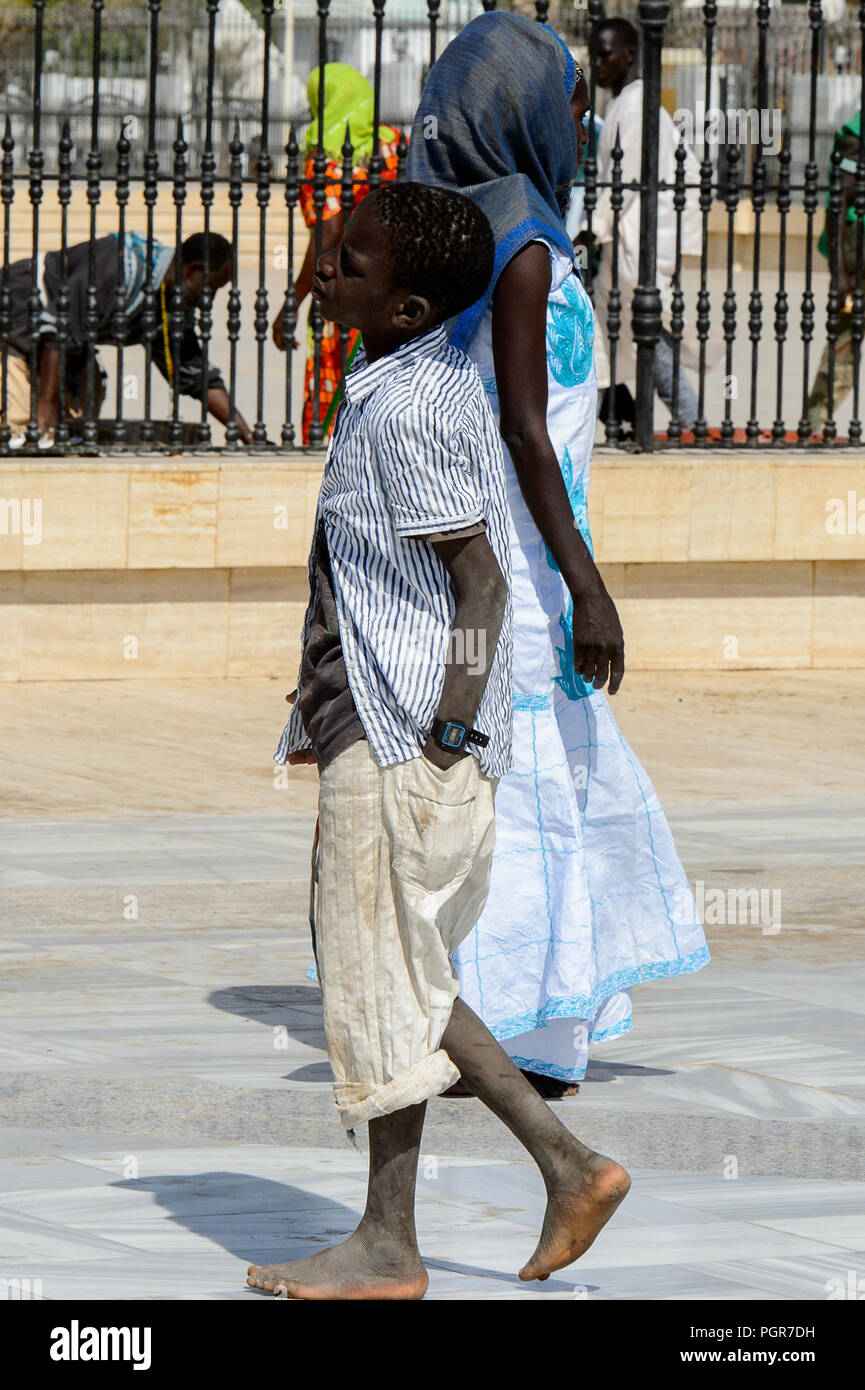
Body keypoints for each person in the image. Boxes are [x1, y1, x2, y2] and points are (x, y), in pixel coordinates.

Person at [248, 181, 630, 1300]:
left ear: (409, 305)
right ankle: (550, 1174)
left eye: (353, 264)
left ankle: (408, 1235)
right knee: (406, 975)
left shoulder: (412, 402)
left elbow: (480, 582)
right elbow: (376, 580)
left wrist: (446, 733)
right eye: (333, 248)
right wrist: (322, 695)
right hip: (386, 716)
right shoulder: (399, 380)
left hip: (413, 736)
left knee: (386, 977)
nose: (326, 270)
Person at [408, 12, 709, 1096]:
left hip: (501, 569)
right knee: (523, 798)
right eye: (569, 105)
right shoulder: (519, 247)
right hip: (526, 583)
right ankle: (517, 1032)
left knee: (532, 794)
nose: (579, 122)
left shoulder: (459, 236)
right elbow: (523, 432)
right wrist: (589, 589)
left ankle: (528, 1029)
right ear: (523, 113)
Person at [0, 230, 253, 446]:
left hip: (59, 347)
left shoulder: (167, 302)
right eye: (211, 289)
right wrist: (45, 407)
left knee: (77, 412)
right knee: (22, 427)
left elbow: (193, 373)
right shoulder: (120, 266)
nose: (207, 301)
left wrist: (246, 434)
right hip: (16, 319)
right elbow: (60, 325)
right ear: (192, 270)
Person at [271, 63, 402, 443]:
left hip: (348, 295)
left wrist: (292, 303)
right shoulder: (392, 143)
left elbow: (327, 236)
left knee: (333, 409)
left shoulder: (324, 154)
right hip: (395, 290)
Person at [588, 17, 705, 434]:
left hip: (640, 244)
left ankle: (690, 422)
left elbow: (628, 179)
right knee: (612, 338)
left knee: (646, 337)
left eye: (604, 55)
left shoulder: (637, 107)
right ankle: (628, 425)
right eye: (594, 55)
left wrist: (593, 228)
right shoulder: (625, 104)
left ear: (630, 54)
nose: (597, 64)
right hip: (627, 243)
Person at [807, 110, 864, 433]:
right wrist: (838, 271)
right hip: (859, 253)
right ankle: (815, 423)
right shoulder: (855, 133)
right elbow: (839, 201)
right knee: (843, 343)